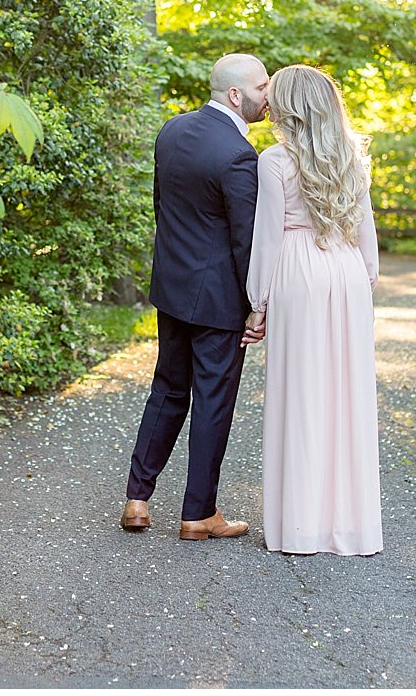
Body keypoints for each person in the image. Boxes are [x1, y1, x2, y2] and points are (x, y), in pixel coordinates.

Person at [122, 53, 270, 540]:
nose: (268, 97)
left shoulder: (172, 131)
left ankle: (137, 500)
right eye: (262, 88)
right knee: (212, 401)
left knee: (167, 390)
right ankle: (198, 513)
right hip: (220, 301)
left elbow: (163, 206)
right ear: (235, 95)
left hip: (173, 287)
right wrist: (257, 303)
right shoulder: (239, 155)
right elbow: (244, 239)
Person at [244, 64, 382, 556]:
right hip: (345, 271)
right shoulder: (353, 157)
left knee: (300, 395)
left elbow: (267, 238)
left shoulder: (274, 161)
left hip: (298, 272)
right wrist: (366, 285)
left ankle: (300, 526)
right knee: (347, 395)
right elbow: (366, 235)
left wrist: (256, 306)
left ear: (287, 107)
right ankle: (351, 526)